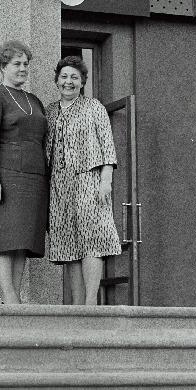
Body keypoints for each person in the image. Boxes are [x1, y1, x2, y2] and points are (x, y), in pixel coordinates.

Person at [45, 55, 122, 305]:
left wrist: (106, 180)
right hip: (58, 185)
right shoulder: (49, 111)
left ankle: (90, 304)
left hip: (89, 180)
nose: (69, 82)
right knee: (68, 244)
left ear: (82, 82)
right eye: (64, 76)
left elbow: (107, 146)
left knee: (92, 240)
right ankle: (77, 308)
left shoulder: (94, 107)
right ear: (57, 80)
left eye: (74, 77)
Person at [0, 40, 48, 304]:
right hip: (7, 176)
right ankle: (9, 298)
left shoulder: (33, 100)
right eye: (16, 64)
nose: (23, 68)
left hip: (35, 178)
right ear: (2, 66)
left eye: (25, 64)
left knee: (23, 239)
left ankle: (15, 296)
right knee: (5, 235)